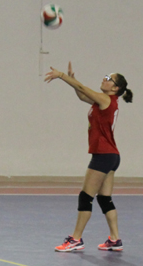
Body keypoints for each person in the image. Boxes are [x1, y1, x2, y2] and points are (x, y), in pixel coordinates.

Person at [44, 62, 133, 252]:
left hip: (103, 155)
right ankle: (115, 239)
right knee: (104, 198)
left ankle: (75, 240)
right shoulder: (102, 101)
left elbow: (83, 89)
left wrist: (61, 76)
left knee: (85, 197)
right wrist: (72, 80)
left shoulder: (105, 99)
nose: (104, 79)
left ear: (115, 88)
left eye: (109, 79)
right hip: (111, 156)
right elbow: (82, 94)